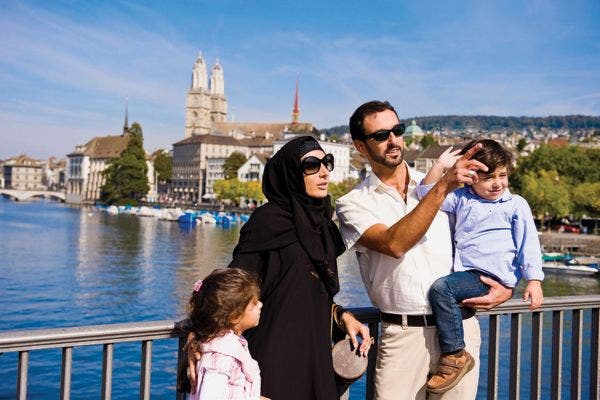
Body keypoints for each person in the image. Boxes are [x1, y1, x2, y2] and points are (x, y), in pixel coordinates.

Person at [335, 101, 514, 400]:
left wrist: (508, 286)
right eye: (380, 135)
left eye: (397, 130)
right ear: (361, 147)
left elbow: (496, 232)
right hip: (404, 337)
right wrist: (442, 186)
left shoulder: (445, 182)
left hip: (460, 330)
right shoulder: (352, 203)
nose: (393, 140)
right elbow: (394, 244)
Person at [189, 136, 371, 400]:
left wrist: (342, 315)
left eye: (327, 163)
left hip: (315, 358)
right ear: (291, 174)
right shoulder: (268, 223)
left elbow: (312, 292)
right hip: (274, 360)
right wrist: (199, 335)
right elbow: (231, 290)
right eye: (311, 165)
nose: (323, 172)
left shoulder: (324, 229)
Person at [417, 139, 544, 394]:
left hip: (489, 276)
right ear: (472, 177)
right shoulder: (461, 198)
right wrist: (441, 164)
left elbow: (528, 242)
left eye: (502, 175)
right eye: (488, 178)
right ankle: (455, 349)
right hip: (469, 273)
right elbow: (425, 193)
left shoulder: (515, 204)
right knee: (447, 294)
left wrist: (533, 280)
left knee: (442, 290)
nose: (497, 183)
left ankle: (454, 355)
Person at [186, 268, 267, 400]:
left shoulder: (227, 345)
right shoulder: (220, 358)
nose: (261, 305)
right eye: (254, 304)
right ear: (234, 317)